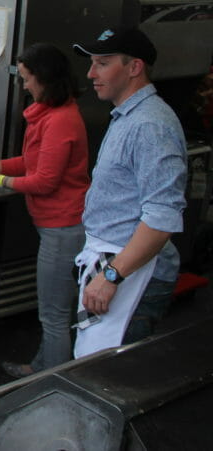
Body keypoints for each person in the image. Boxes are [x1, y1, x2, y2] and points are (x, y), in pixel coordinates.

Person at [0, 43, 88, 376]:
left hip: (63, 226)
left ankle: (54, 386)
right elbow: (31, 163)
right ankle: (40, 369)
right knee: (54, 312)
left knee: (55, 315)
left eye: (28, 79)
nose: (25, 85)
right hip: (55, 225)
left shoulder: (61, 121)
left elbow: (44, 181)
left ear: (45, 79)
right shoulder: (48, 114)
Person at [70, 27, 186, 357]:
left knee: (107, 377)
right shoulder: (127, 116)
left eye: (102, 64)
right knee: (90, 367)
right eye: (92, 63)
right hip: (113, 260)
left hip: (132, 273)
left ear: (134, 67)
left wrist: (111, 276)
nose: (91, 74)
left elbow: (162, 218)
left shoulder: (150, 124)